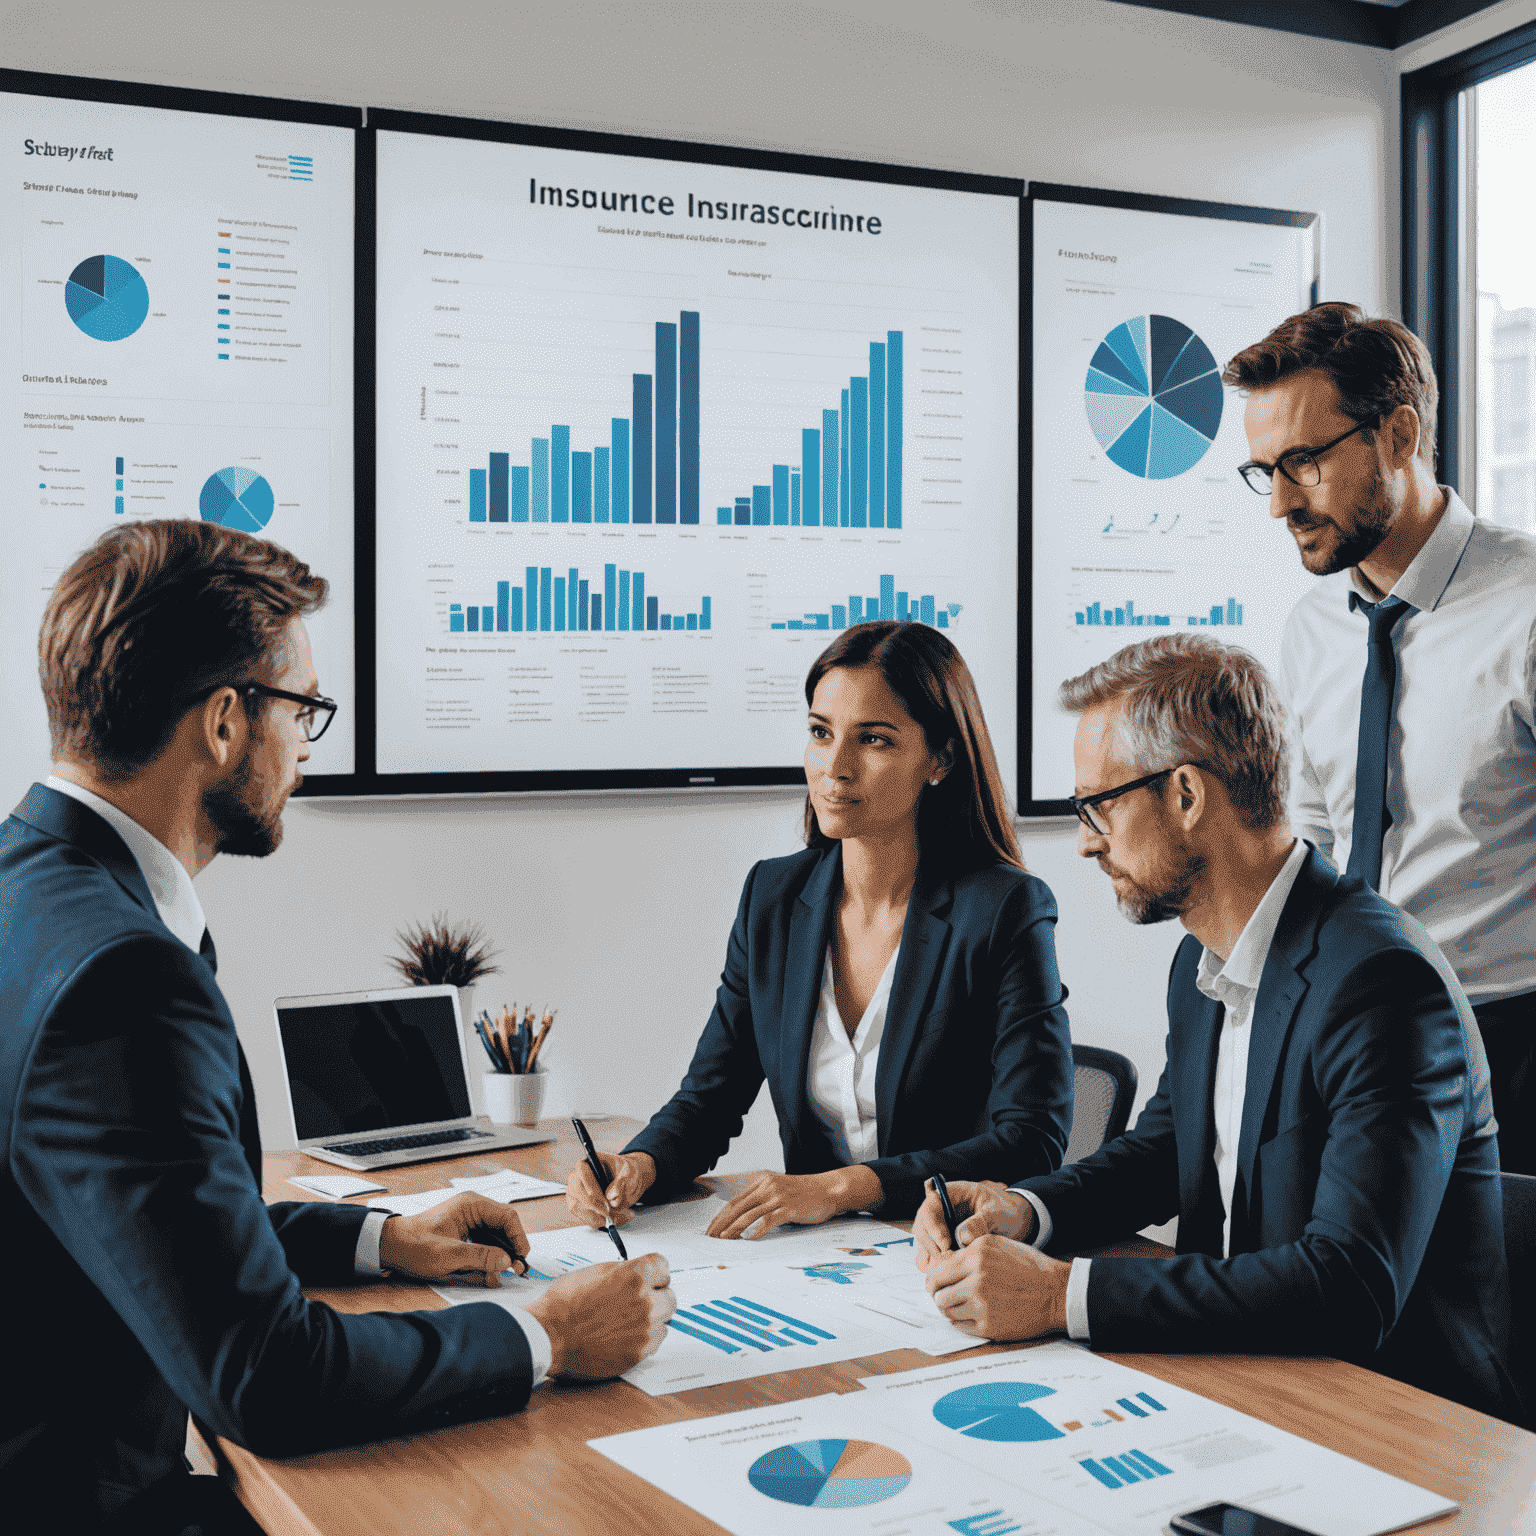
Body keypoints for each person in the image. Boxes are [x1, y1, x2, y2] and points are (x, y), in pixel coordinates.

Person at [0, 521, 676, 1533]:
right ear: (225, 722)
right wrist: (543, 1339)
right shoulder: (126, 976)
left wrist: (382, 1239)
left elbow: (148, 1227)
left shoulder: (39, 894)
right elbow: (264, 1376)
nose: (305, 749)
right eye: (303, 711)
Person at [912, 634, 1520, 1423]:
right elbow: (1168, 1149)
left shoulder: (1381, 983)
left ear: (1187, 796)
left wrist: (1064, 1294)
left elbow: (1351, 1286)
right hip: (1244, 1379)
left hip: (1396, 1418)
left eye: (1099, 804)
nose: (1088, 839)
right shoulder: (1201, 959)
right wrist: (1027, 1209)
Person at [566, 620, 1074, 1240]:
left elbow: (1030, 1142)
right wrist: (637, 1166)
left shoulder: (1004, 909)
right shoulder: (773, 898)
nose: (835, 768)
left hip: (950, 1251)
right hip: (814, 1258)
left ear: (939, 758)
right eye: (820, 732)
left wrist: (841, 1187)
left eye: (874, 741)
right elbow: (710, 1099)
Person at [1223, 301, 1536, 1173]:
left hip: (1509, 1042)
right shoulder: (1313, 631)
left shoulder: (1528, 611)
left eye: (1304, 463)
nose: (1282, 501)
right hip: (1351, 1036)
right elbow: (1317, 838)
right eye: (1265, 472)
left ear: (1399, 434)